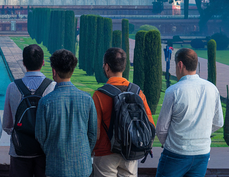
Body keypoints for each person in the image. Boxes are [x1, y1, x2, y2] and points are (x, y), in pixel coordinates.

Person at [155, 48, 223, 177]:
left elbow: (161, 129)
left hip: (176, 153)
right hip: (202, 152)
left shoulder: (173, 91)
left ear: (180, 65)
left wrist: (173, 144)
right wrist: (199, 135)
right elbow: (218, 122)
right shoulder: (212, 88)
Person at [92, 47, 155, 177]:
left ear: (106, 67)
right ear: (124, 67)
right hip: (131, 152)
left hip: (105, 153)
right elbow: (150, 125)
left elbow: (95, 131)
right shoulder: (137, 92)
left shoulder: (99, 95)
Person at [35, 49, 97, 177]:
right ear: (72, 70)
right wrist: (84, 152)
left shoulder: (45, 102)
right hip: (83, 166)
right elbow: (92, 134)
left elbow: (40, 135)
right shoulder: (87, 99)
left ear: (54, 71)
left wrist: (51, 151)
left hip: (56, 165)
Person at [3, 44, 55, 177]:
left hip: (19, 150)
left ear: (24, 63)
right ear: (43, 63)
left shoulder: (12, 87)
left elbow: (7, 125)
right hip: (44, 150)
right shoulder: (52, 86)